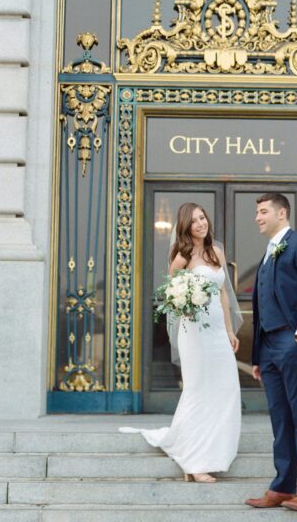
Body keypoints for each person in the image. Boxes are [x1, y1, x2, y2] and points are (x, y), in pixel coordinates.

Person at [119, 202, 242, 482]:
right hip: (194, 332)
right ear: (185, 227)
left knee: (225, 388)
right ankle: (194, 461)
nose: (201, 223)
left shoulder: (217, 251)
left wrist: (230, 330)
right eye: (194, 221)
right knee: (198, 390)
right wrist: (184, 304)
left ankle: (213, 448)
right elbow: (171, 292)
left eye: (203, 217)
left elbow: (223, 294)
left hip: (216, 333)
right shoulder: (182, 255)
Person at [245, 192, 297, 512]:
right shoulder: (268, 253)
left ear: (282, 214)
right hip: (268, 347)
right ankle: (283, 486)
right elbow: (261, 306)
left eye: (263, 211)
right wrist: (257, 357)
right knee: (280, 420)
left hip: (293, 342)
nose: (257, 217)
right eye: (257, 212)